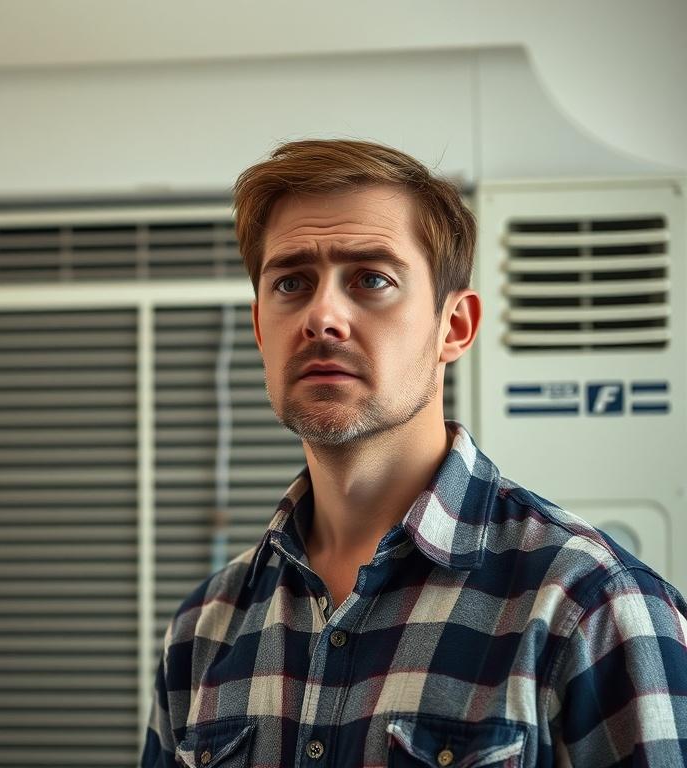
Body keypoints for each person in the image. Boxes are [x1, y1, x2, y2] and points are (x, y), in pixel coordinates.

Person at [140, 139, 687, 767]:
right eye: (291, 282)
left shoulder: (590, 606)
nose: (322, 315)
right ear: (262, 327)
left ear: (453, 327)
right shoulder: (203, 629)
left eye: (372, 279)